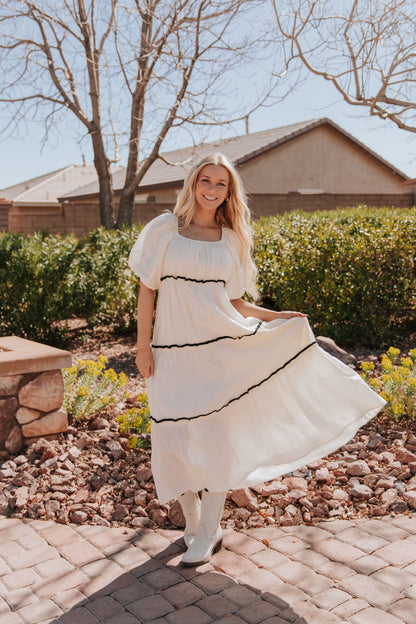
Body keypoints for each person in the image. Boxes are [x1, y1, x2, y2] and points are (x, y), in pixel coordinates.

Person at [128, 153, 385, 567]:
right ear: (192, 183)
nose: (212, 190)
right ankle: (192, 525)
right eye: (205, 181)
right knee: (174, 434)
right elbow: (146, 291)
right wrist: (143, 347)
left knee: (213, 437)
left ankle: (210, 529)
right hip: (171, 352)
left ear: (230, 192)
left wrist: (278, 317)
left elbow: (233, 301)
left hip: (219, 349)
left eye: (221, 184)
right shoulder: (164, 229)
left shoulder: (231, 239)